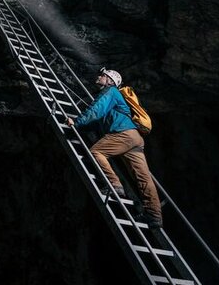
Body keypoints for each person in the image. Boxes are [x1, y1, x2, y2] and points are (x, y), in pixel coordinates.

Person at [66, 67, 163, 229]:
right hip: (135, 138)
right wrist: (80, 125)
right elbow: (96, 123)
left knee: (96, 152)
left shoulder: (110, 91)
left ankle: (114, 185)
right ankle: (154, 216)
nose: (99, 77)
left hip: (122, 133)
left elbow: (96, 111)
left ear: (110, 81)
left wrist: (76, 123)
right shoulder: (116, 97)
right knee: (143, 177)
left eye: (102, 76)